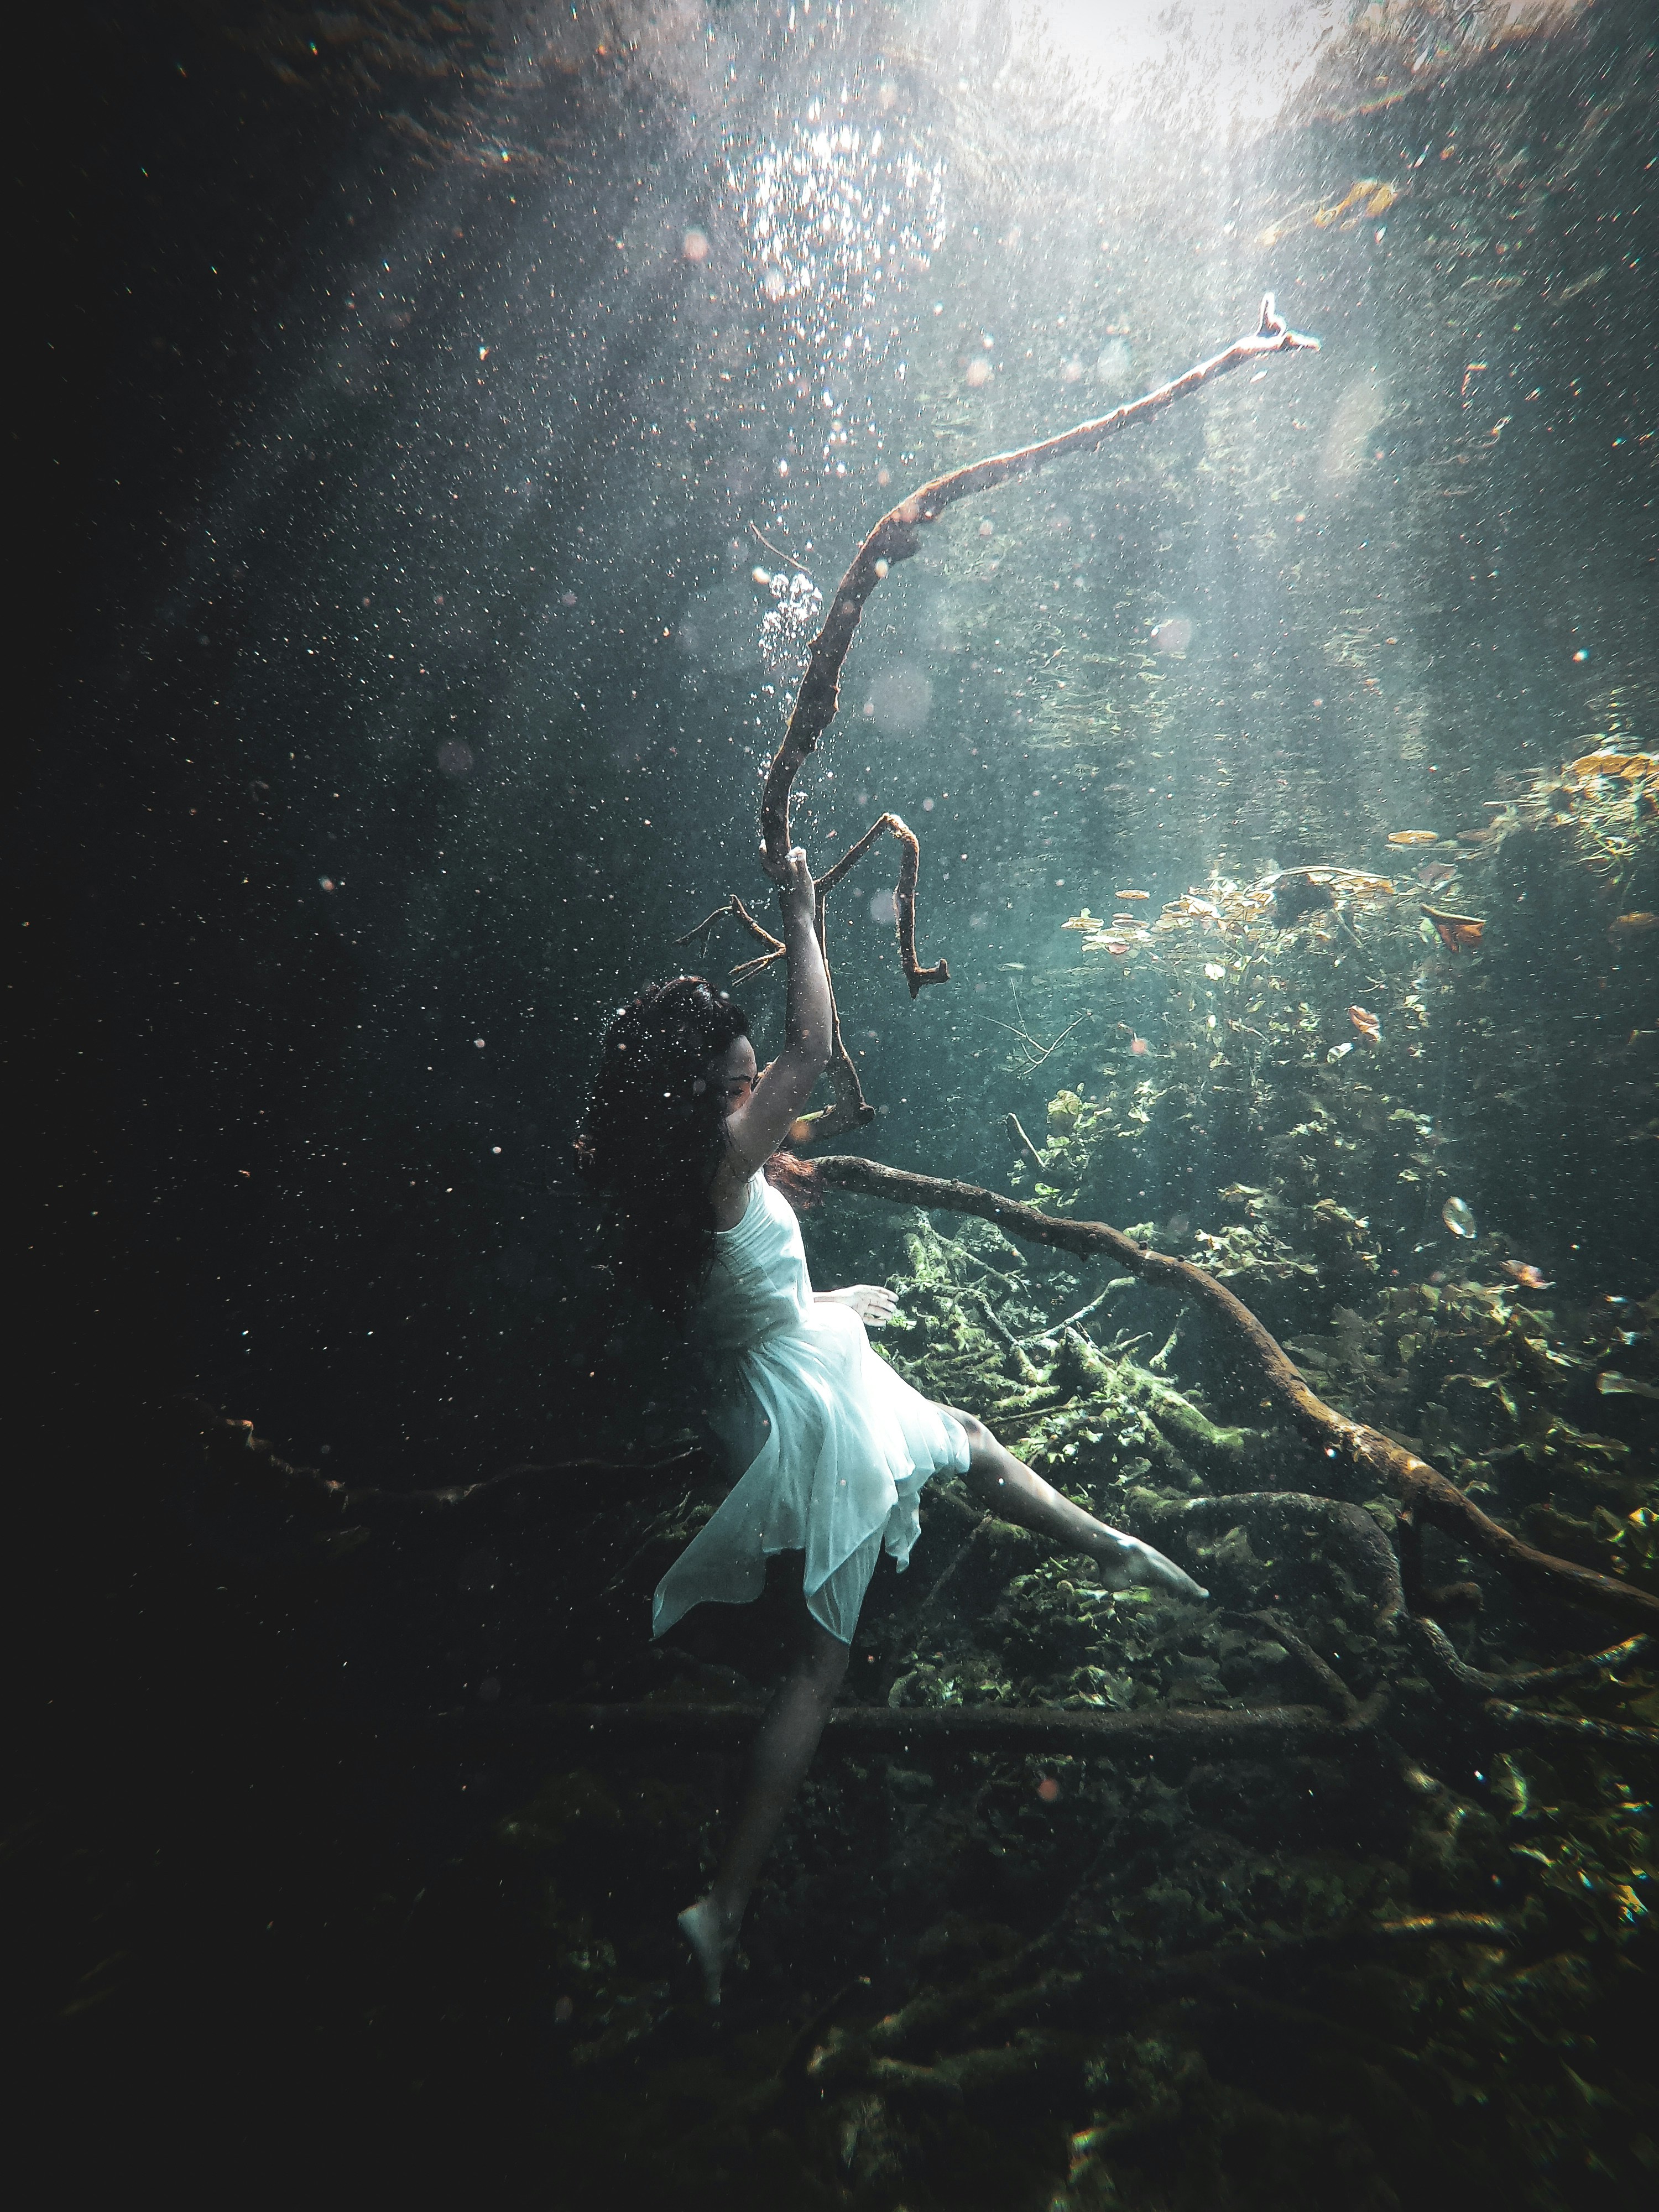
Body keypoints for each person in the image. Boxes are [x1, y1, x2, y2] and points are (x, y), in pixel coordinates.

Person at [576, 847, 1204, 2004]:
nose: (757, 1084)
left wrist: (820, 1303)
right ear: (704, 1095)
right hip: (792, 1402)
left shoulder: (655, 1168)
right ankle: (722, 1905)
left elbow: (727, 1288)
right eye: (737, 1078)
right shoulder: (718, 1158)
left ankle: (1114, 1548)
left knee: (958, 1430)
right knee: (824, 1657)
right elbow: (815, 1048)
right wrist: (805, 910)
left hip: (748, 1381)